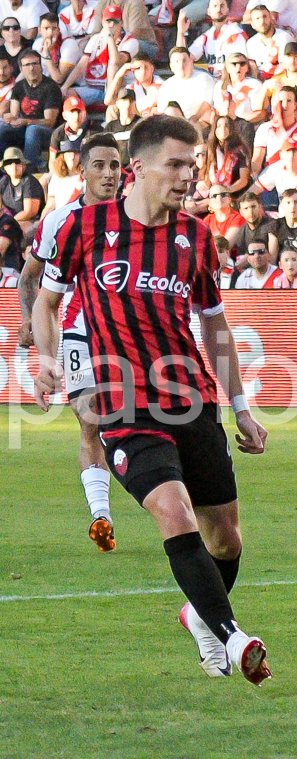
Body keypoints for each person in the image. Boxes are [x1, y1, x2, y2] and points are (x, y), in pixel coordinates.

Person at [31, 114, 270, 685]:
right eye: (177, 164)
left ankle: (202, 619)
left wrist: (240, 405)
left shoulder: (198, 238)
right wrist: (44, 360)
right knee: (172, 510)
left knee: (226, 538)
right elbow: (45, 301)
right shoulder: (83, 228)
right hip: (123, 404)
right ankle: (234, 638)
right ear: (137, 169)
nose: (188, 175)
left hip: (192, 401)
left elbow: (215, 328)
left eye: (193, 165)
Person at [17, 134, 120, 551]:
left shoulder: (139, 217)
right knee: (90, 418)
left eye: (115, 166)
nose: (109, 174)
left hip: (133, 334)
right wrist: (30, 318)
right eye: (99, 165)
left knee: (141, 424)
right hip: (80, 332)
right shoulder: (59, 221)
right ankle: (101, 515)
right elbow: (30, 280)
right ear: (82, 171)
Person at [0, 47, 59, 171]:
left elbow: (50, 121)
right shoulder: (19, 87)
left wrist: (26, 121)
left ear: (41, 66)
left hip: (47, 132)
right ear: (21, 69)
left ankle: (30, 170)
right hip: (24, 129)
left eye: (35, 64)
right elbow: (15, 115)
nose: (31, 68)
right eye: (27, 65)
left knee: (32, 130)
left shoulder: (51, 88)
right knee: (3, 129)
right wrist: (9, 118)